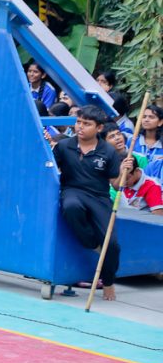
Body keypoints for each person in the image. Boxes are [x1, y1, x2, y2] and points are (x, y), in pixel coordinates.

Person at [51, 106, 123, 301]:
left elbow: (116, 184)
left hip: (99, 197)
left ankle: (108, 282)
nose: (80, 127)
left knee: (112, 245)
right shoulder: (64, 146)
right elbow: (51, 171)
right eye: (78, 122)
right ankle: (91, 243)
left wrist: (123, 172)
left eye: (87, 124)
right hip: (72, 190)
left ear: (99, 128)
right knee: (71, 207)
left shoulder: (108, 151)